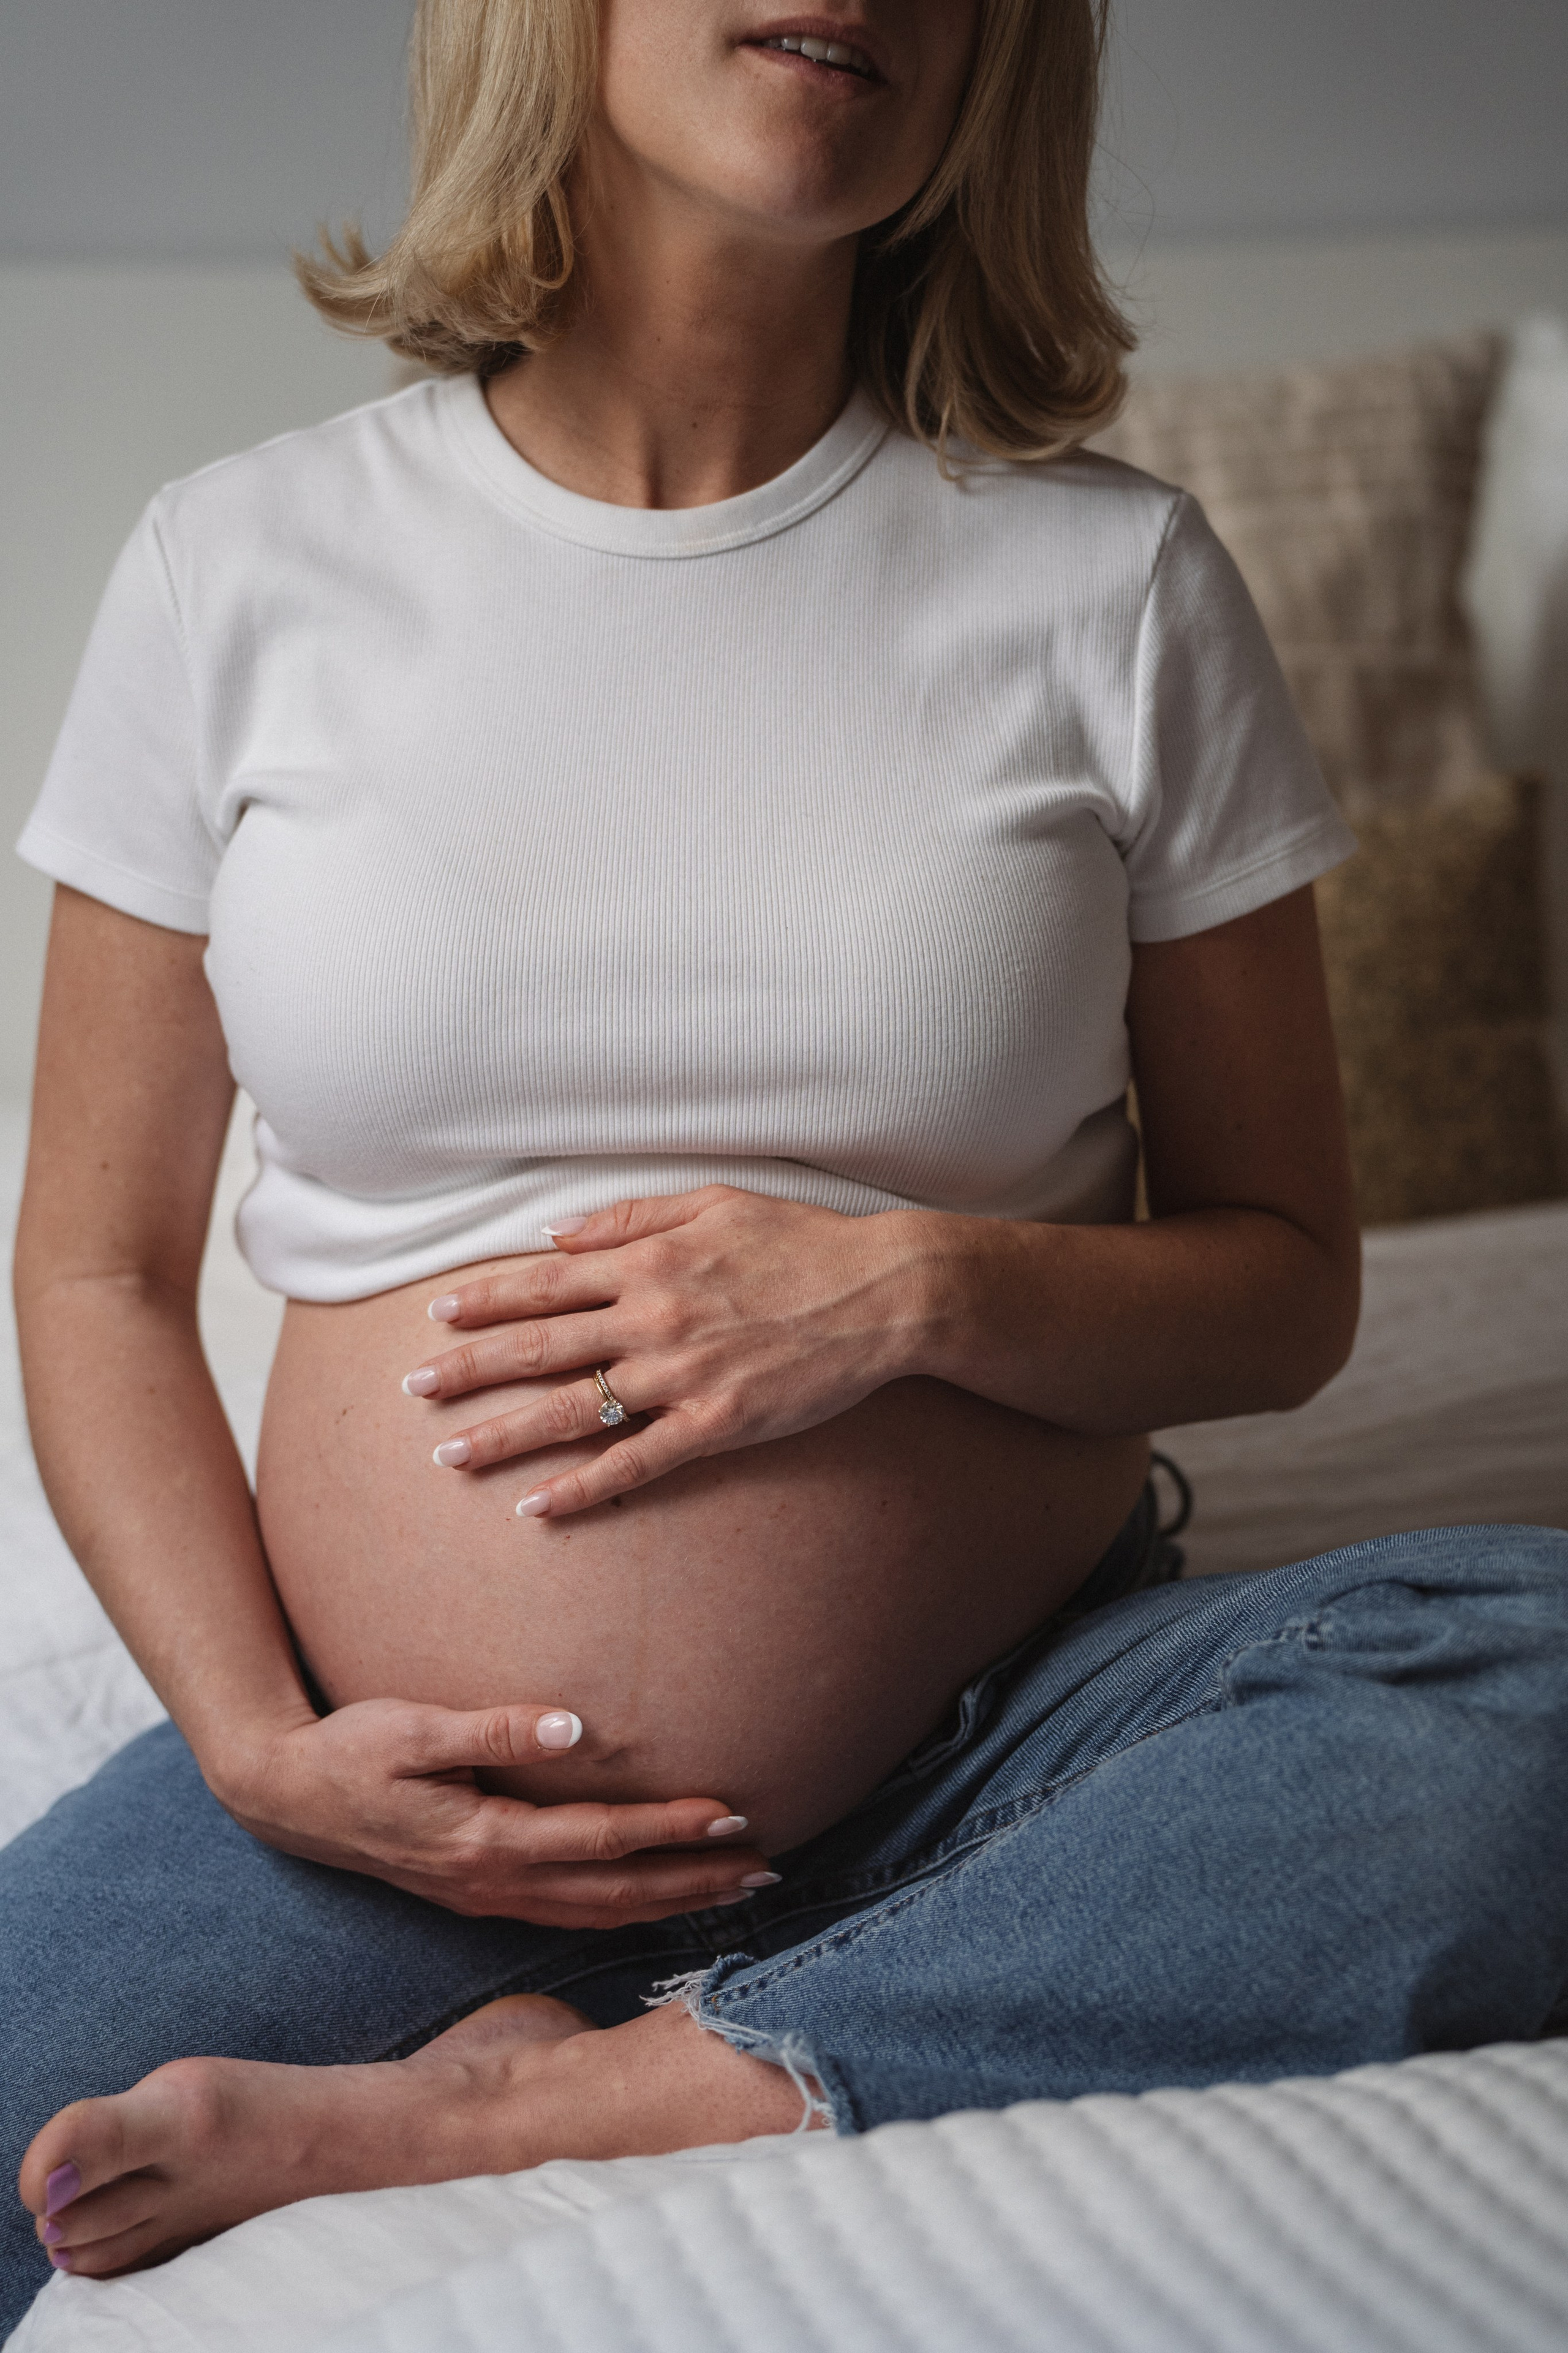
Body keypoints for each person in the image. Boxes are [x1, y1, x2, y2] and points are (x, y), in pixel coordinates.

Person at [7, 0, 1567, 2322]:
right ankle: (806, 2011)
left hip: (1017, 1755)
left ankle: (562, 2098)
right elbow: (102, 1270)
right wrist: (263, 1745)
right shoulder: (241, 570)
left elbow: (1289, 1276)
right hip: (408, 1808)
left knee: (1530, 1673)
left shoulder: (1114, 589)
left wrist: (909, 1292)